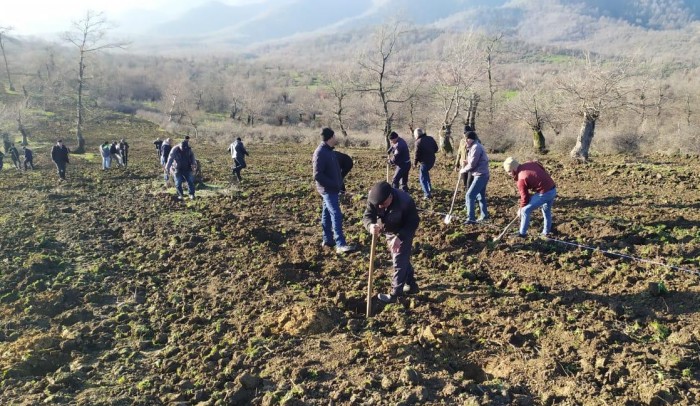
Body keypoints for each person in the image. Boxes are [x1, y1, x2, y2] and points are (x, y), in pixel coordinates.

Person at [363, 181, 420, 303]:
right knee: (401, 258)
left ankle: (395, 295)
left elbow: (413, 222)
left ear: (390, 196)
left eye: (382, 204)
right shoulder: (374, 198)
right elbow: (367, 216)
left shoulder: (405, 201)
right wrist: (370, 226)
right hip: (388, 229)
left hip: (404, 230)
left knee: (398, 259)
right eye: (377, 205)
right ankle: (411, 284)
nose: (379, 207)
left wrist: (400, 237)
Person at [313, 127, 356, 254]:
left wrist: (339, 184)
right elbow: (317, 175)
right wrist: (333, 184)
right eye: (334, 136)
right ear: (330, 137)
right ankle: (340, 244)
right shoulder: (320, 152)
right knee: (336, 214)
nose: (336, 138)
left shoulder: (329, 151)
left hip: (332, 189)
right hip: (328, 190)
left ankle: (327, 240)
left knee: (326, 215)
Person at [503, 157, 557, 237]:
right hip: (553, 189)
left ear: (514, 169)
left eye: (509, 172)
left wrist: (521, 209)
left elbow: (524, 197)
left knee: (525, 211)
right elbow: (541, 167)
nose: (509, 174)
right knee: (546, 211)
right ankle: (546, 232)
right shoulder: (530, 163)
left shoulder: (521, 179)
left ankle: (522, 234)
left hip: (545, 193)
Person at [460, 131, 489, 224]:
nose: (465, 141)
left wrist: (463, 170)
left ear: (470, 139)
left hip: (480, 175)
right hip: (482, 174)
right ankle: (484, 216)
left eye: (466, 139)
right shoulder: (474, 147)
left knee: (469, 195)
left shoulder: (476, 147)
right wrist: (466, 161)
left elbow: (473, 164)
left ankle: (471, 218)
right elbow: (473, 160)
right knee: (481, 196)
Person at [413, 128, 439, 199]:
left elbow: (416, 154)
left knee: (422, 178)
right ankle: (429, 188)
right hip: (432, 160)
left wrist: (415, 163)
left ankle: (427, 194)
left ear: (416, 135)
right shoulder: (430, 138)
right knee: (425, 173)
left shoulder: (418, 141)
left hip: (424, 162)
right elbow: (436, 149)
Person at [454, 125, 479, 190]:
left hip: (471, 165)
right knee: (465, 182)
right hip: (463, 164)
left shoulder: (476, 142)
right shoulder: (462, 141)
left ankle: (470, 195)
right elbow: (459, 153)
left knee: (470, 182)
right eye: (464, 133)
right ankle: (467, 192)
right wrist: (456, 165)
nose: (465, 135)